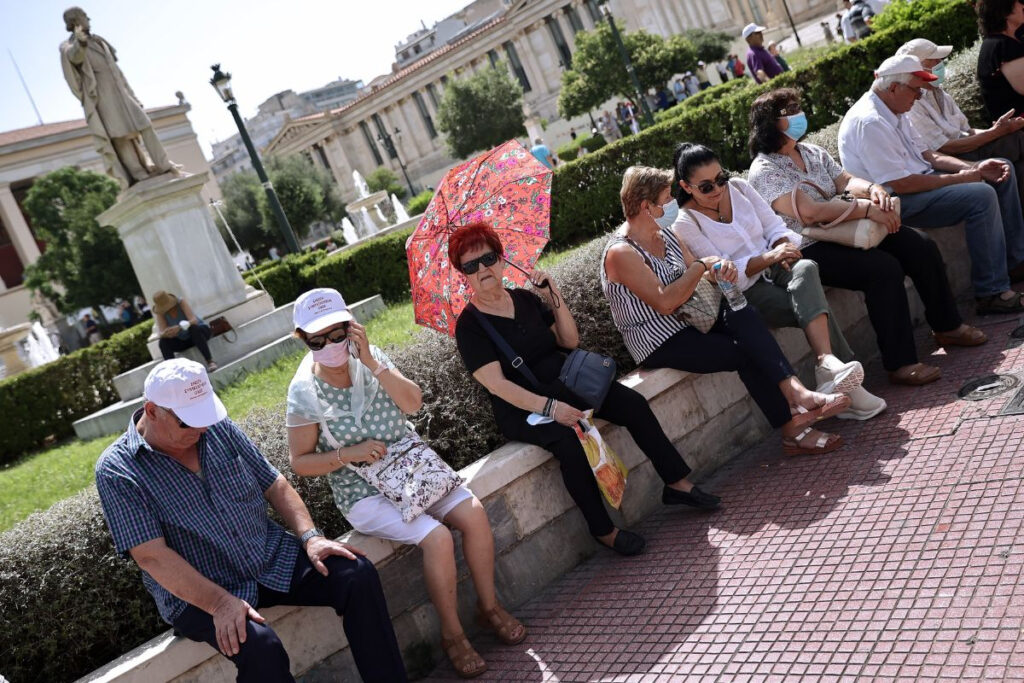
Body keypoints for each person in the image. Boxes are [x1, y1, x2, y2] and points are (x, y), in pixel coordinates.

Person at [94, 358, 408, 683]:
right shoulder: (117, 469)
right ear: (153, 410)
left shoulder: (217, 427)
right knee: (260, 646)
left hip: (269, 557)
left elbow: (274, 484)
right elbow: (151, 557)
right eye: (189, 422)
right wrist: (219, 603)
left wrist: (311, 536)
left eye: (204, 416)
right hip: (202, 590)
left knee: (356, 575)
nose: (201, 428)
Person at [285, 288, 525, 678]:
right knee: (437, 537)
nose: (330, 345)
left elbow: (413, 403)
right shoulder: (303, 393)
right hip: (363, 492)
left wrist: (373, 364)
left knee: (474, 514)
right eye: (317, 339)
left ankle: (489, 607)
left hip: (413, 470)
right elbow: (301, 463)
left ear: (352, 328)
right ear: (304, 341)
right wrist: (350, 453)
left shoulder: (371, 358)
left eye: (337, 334)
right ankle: (453, 636)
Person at [452, 223, 722, 557]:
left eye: (488, 258)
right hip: (523, 407)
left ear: (503, 260)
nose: (482, 269)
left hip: (566, 381)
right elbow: (497, 385)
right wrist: (551, 409)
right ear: (463, 275)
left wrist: (554, 296)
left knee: (633, 404)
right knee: (569, 443)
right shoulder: (470, 326)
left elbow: (569, 341)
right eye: (470, 266)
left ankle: (676, 483)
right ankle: (603, 530)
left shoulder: (524, 298)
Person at [747, 88, 987, 390]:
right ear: (770, 122)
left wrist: (873, 189)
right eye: (789, 110)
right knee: (882, 269)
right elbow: (807, 213)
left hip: (847, 228)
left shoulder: (810, 152)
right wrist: (865, 208)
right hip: (809, 246)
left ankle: (948, 326)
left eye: (798, 106)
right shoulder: (764, 169)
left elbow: (845, 180)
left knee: (919, 245)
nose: (799, 114)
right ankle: (901, 364)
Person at [603, 166, 851, 456]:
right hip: (661, 337)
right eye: (667, 198)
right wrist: (700, 266)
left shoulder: (666, 235)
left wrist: (719, 268)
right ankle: (792, 427)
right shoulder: (622, 252)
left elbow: (701, 272)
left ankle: (797, 394)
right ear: (647, 206)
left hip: (693, 315)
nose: (673, 203)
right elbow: (664, 301)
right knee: (744, 352)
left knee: (745, 313)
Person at [667, 145, 886, 413]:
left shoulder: (740, 188)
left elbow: (773, 226)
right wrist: (771, 257)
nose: (718, 189)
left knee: (806, 267)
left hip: (780, 265)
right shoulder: (685, 223)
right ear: (686, 186)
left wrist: (783, 245)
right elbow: (727, 272)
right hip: (747, 290)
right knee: (813, 306)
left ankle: (826, 362)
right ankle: (847, 386)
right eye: (706, 187)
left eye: (720, 179)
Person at [839, 54, 1024, 314]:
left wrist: (974, 168)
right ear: (893, 87)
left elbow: (929, 155)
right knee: (981, 195)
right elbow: (902, 184)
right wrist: (965, 177)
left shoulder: (894, 108)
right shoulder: (870, 122)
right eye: (916, 90)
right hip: (897, 202)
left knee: (1000, 168)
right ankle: (991, 291)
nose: (919, 97)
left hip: (918, 182)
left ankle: (1015, 263)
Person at [59, 7, 178, 189]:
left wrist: (133, 96)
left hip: (122, 93)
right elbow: (74, 56)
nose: (88, 18)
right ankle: (138, 174)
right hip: (103, 97)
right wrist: (80, 42)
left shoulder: (99, 41)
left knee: (145, 125)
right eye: (84, 16)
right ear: (76, 21)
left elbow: (119, 73)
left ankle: (164, 164)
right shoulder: (69, 46)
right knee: (120, 136)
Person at [899, 38, 1024, 203]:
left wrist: (1000, 129)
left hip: (967, 147)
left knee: (1017, 158)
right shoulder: (912, 103)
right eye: (935, 60)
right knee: (1016, 141)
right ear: (918, 66)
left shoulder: (941, 93)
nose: (940, 64)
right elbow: (945, 147)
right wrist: (996, 133)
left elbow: (968, 130)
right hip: (952, 158)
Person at [977, 0, 1024, 121]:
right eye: (1019, 2)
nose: (1023, 6)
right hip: (1017, 128)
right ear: (1005, 12)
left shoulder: (997, 43)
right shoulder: (1003, 46)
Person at [152, 290, 218, 371]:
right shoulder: (160, 313)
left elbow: (193, 320)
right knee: (163, 342)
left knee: (193, 328)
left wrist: (179, 327)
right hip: (182, 340)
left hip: (199, 333)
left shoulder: (181, 302)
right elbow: (161, 332)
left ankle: (210, 361)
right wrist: (168, 333)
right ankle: (173, 372)